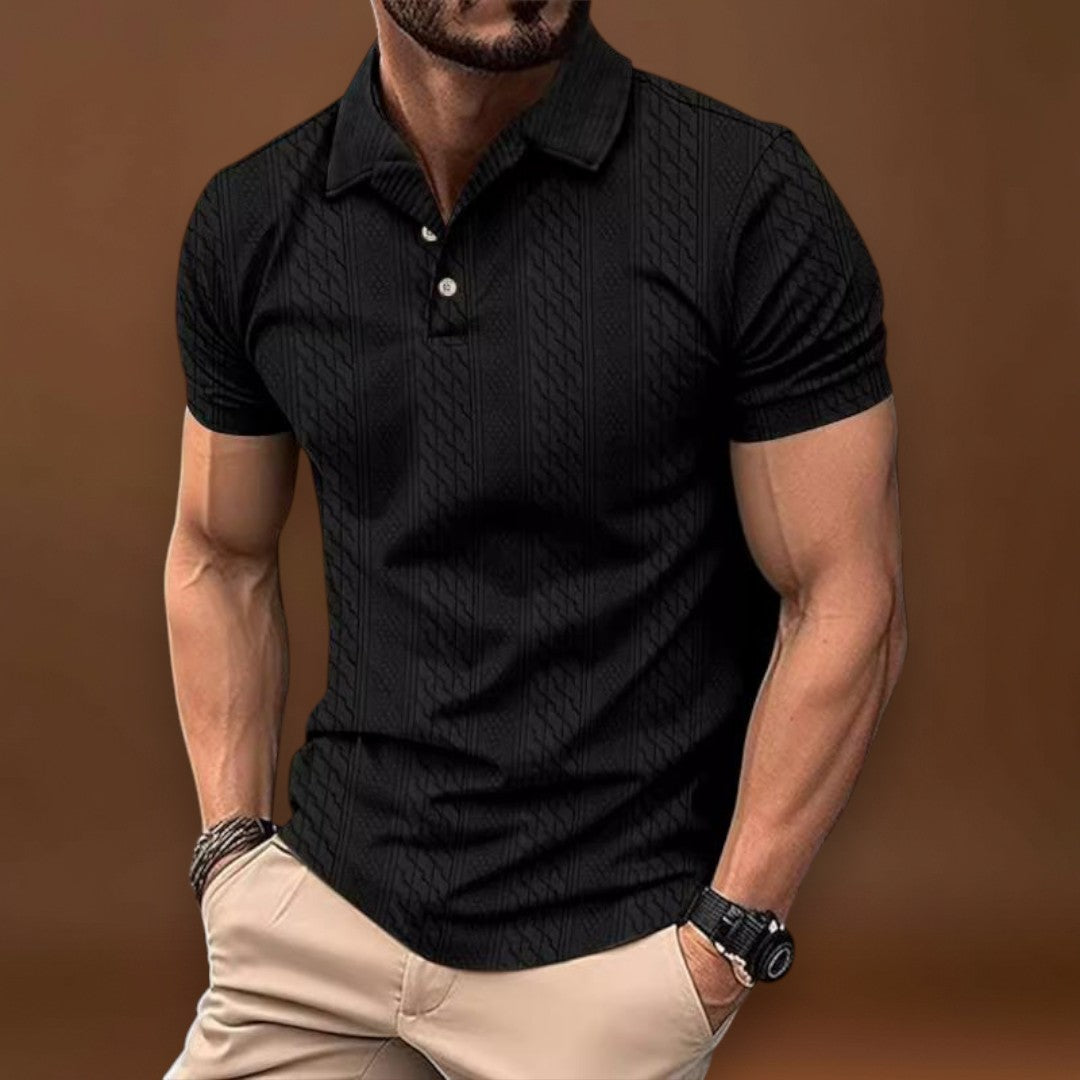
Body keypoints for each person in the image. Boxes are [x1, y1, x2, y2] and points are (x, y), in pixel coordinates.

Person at [162, 1, 907, 1077]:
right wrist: (231, 856)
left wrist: (725, 943)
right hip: (323, 925)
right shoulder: (254, 219)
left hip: (606, 961)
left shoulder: (745, 199)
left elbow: (845, 598)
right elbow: (218, 555)